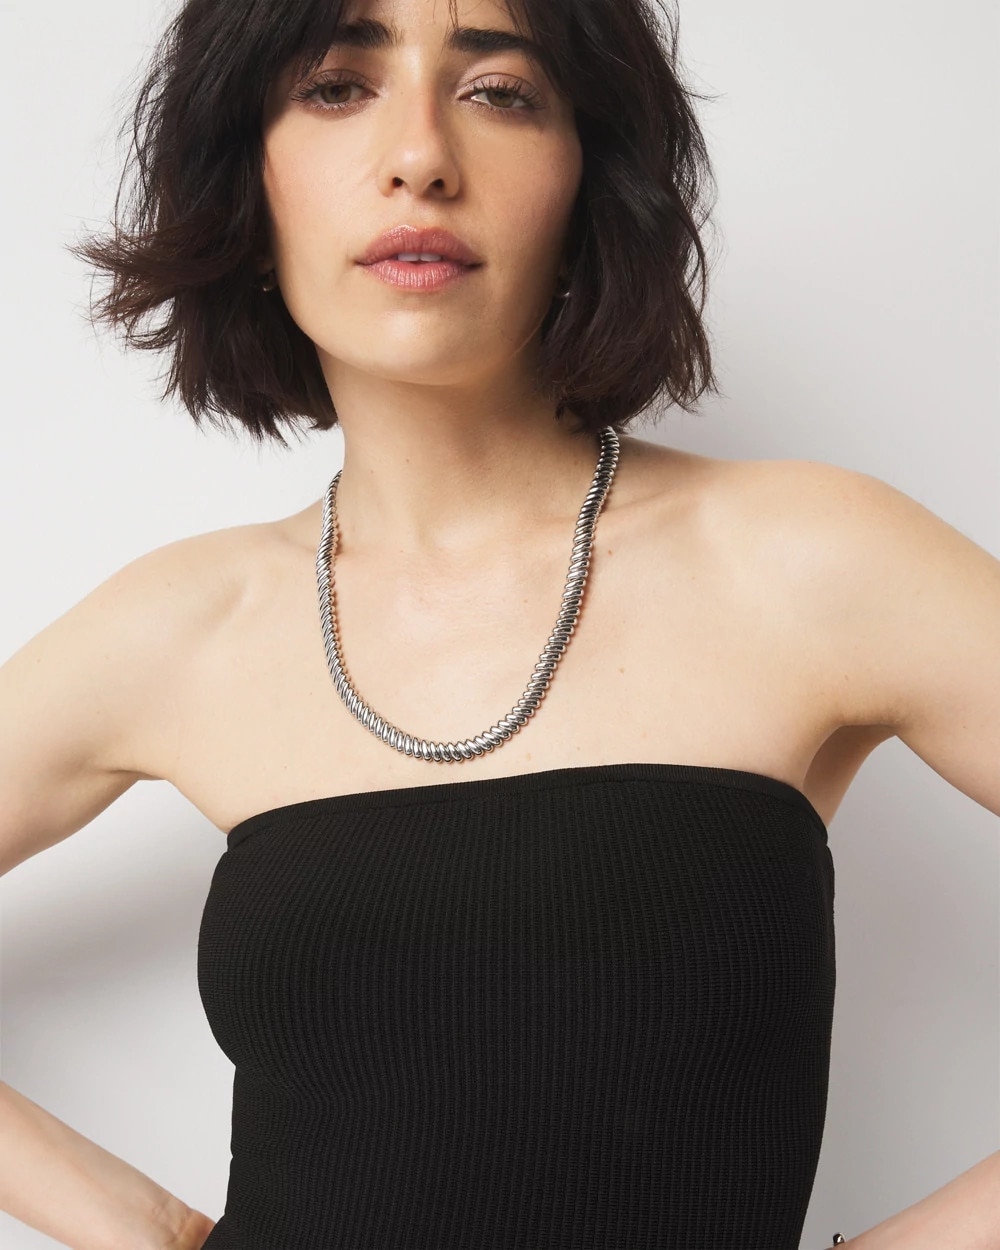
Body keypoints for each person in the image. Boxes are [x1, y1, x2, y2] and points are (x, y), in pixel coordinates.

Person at [1, 0, 998, 1246]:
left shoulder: (812, 560)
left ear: (588, 186)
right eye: (335, 87)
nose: (420, 154)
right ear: (247, 192)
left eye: (500, 92)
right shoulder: (180, 626)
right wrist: (148, 1228)